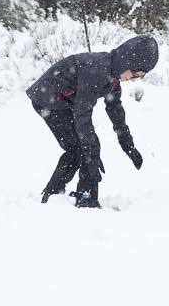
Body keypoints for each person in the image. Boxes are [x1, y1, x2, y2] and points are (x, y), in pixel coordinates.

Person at [26, 34, 160, 208]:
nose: (134, 78)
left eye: (139, 76)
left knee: (85, 148)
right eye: (136, 73)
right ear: (128, 62)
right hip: (48, 99)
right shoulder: (97, 70)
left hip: (63, 101)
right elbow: (83, 115)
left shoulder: (112, 77)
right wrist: (90, 155)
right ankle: (76, 198)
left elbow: (116, 113)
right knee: (82, 149)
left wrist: (129, 146)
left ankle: (65, 194)